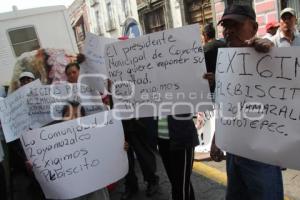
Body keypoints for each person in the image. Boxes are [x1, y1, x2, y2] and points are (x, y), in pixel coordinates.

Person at [209, 5, 284, 200]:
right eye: (225, 25)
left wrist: (269, 52)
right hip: (234, 152)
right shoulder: (226, 62)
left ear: (254, 26)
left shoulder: (267, 53)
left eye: (235, 24)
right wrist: (217, 137)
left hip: (262, 155)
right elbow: (227, 104)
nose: (229, 30)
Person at [157, 115, 199, 200]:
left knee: (181, 186)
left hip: (181, 137)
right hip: (162, 138)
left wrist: (200, 113)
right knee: (176, 182)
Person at [202, 23, 226, 93]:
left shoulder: (204, 49)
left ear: (205, 36)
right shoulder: (224, 44)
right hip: (226, 84)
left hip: (212, 88)